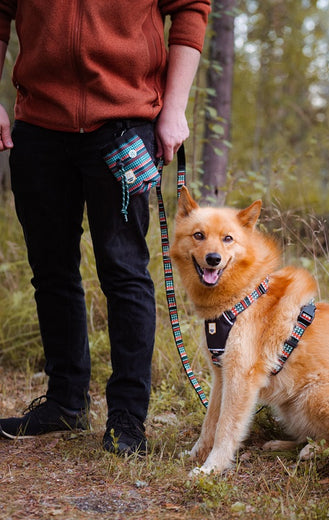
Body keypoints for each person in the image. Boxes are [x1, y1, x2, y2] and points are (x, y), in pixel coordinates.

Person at [0, 0, 210, 455]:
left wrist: (174, 108)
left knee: (124, 271)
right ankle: (64, 402)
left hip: (125, 125)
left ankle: (127, 418)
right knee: (51, 271)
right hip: (38, 126)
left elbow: (191, 9)